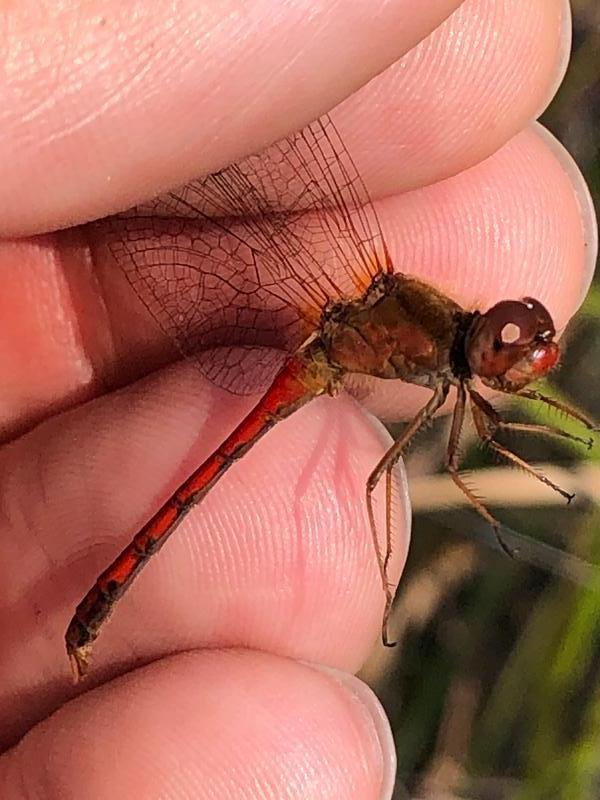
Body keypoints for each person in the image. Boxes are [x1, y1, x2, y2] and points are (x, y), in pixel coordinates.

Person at [0, 1, 595, 797]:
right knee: (380, 479)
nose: (513, 364)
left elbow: (482, 429)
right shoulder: (441, 345)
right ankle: (93, 610)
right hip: (304, 363)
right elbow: (419, 472)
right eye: (510, 351)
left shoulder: (457, 352)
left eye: (520, 355)